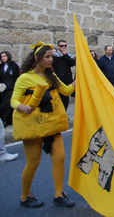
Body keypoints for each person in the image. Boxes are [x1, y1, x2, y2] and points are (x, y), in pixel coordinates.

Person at [10, 41, 76, 208]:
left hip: (52, 125)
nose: (50, 60)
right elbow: (13, 100)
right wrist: (23, 107)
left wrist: (81, 77)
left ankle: (59, 194)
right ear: (37, 58)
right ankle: (25, 196)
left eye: (51, 57)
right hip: (33, 126)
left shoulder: (51, 76)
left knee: (60, 158)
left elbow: (67, 90)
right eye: (47, 57)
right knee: (33, 162)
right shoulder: (24, 78)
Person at [52, 40, 76, 111]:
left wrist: (65, 55)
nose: (63, 47)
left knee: (66, 100)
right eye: (62, 46)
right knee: (58, 99)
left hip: (66, 80)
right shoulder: (54, 57)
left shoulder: (68, 56)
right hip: (58, 80)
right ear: (58, 47)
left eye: (65, 45)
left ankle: (64, 113)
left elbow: (72, 63)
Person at [0, 51, 20, 126]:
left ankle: (5, 120)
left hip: (11, 88)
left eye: (4, 56)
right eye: (2, 57)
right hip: (3, 88)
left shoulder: (13, 66)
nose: (3, 58)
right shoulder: (1, 66)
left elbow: (16, 76)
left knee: (6, 105)